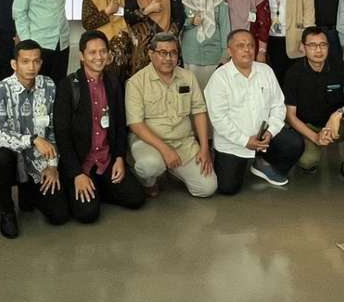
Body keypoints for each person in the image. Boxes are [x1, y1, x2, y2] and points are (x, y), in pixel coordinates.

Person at [54, 29, 147, 223]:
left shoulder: (113, 82)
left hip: (106, 160)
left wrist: (120, 158)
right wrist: (76, 174)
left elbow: (120, 125)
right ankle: (87, 188)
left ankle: (99, 187)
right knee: (87, 214)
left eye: (103, 51)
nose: (99, 57)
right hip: (81, 164)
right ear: (82, 56)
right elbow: (62, 135)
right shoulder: (68, 86)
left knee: (136, 198)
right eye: (92, 52)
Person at [0, 39, 68, 237]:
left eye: (36, 61)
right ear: (14, 64)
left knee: (59, 215)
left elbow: (54, 130)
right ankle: (7, 211)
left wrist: (52, 166)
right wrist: (32, 140)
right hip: (11, 159)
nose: (31, 67)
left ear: (41, 63)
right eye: (25, 61)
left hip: (39, 162)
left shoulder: (49, 85)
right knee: (0, 157)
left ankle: (29, 191)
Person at [206, 29, 301, 193]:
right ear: (229, 50)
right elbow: (219, 119)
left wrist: (270, 132)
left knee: (294, 144)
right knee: (228, 188)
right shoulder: (219, 78)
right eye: (240, 46)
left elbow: (278, 105)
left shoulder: (266, 71)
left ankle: (263, 165)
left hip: (264, 137)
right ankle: (233, 160)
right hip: (234, 143)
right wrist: (245, 141)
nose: (247, 50)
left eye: (251, 45)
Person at [125, 31, 216, 198]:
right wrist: (165, 150)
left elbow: (199, 112)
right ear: (151, 54)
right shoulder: (136, 82)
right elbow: (135, 124)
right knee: (149, 166)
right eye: (163, 53)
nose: (168, 58)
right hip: (149, 143)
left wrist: (204, 148)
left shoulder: (187, 77)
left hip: (183, 143)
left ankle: (173, 169)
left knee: (207, 188)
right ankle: (149, 181)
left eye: (173, 53)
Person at [281, 26, 344, 192]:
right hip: (309, 127)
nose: (318, 50)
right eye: (312, 45)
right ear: (303, 47)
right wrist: (315, 137)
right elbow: (290, 116)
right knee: (307, 162)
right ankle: (311, 154)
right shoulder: (294, 73)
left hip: (335, 125)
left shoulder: (338, 65)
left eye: (323, 45)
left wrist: (337, 116)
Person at [125, 0, 185, 72]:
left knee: (171, 79)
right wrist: (147, 10)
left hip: (167, 47)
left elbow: (180, 16)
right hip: (144, 49)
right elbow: (128, 17)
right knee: (144, 81)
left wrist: (168, 36)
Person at [180, 0, 231, 91]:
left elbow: (225, 27)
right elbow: (179, 24)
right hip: (191, 55)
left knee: (213, 94)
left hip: (214, 56)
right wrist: (191, 21)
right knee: (192, 95)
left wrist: (225, 54)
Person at [79, 0, 134, 73]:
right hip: (99, 50)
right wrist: (107, 12)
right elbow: (87, 24)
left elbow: (134, 18)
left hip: (125, 50)